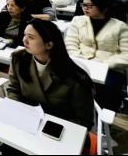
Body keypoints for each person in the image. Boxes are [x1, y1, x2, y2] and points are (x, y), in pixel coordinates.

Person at [7, 20, 94, 152]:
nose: (24, 40)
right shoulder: (19, 59)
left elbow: (84, 121)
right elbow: (13, 89)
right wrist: (20, 112)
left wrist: (47, 126)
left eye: (31, 37)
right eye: (25, 35)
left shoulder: (76, 78)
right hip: (28, 124)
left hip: (60, 133)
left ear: (49, 45)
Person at [65, 0, 128, 111]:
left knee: (107, 91)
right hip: (81, 63)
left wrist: (105, 64)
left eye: (89, 5)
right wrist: (81, 61)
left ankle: (105, 115)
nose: (85, 8)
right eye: (83, 5)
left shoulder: (120, 26)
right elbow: (70, 44)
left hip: (109, 68)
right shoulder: (78, 21)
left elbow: (126, 54)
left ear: (103, 8)